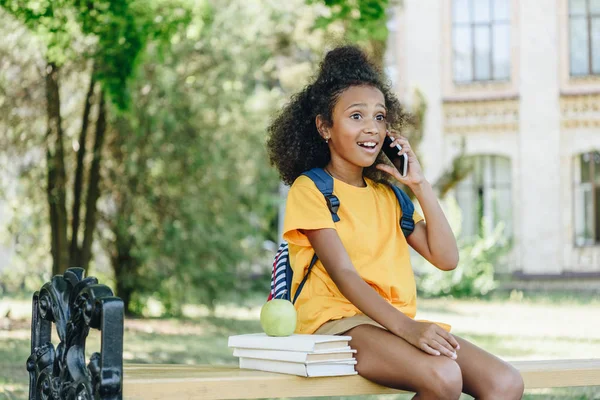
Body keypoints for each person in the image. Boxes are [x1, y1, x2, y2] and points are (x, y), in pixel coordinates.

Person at [266, 45, 524, 400]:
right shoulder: (311, 188)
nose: (372, 128)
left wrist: (419, 185)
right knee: (444, 378)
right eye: (356, 116)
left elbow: (446, 259)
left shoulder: (390, 196)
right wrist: (409, 330)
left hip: (390, 323)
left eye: (379, 117)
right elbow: (345, 275)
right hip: (339, 322)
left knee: (505, 383)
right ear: (324, 127)